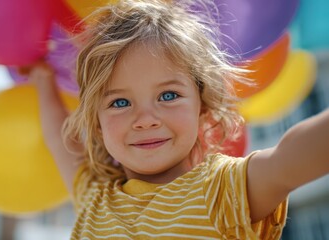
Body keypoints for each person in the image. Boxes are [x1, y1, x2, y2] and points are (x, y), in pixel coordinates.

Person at [26, 0, 329, 239]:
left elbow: (290, 156)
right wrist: (42, 80)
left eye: (168, 96)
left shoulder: (223, 190)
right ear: (96, 124)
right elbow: (58, 139)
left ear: (202, 106)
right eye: (120, 102)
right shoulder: (94, 199)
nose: (145, 120)